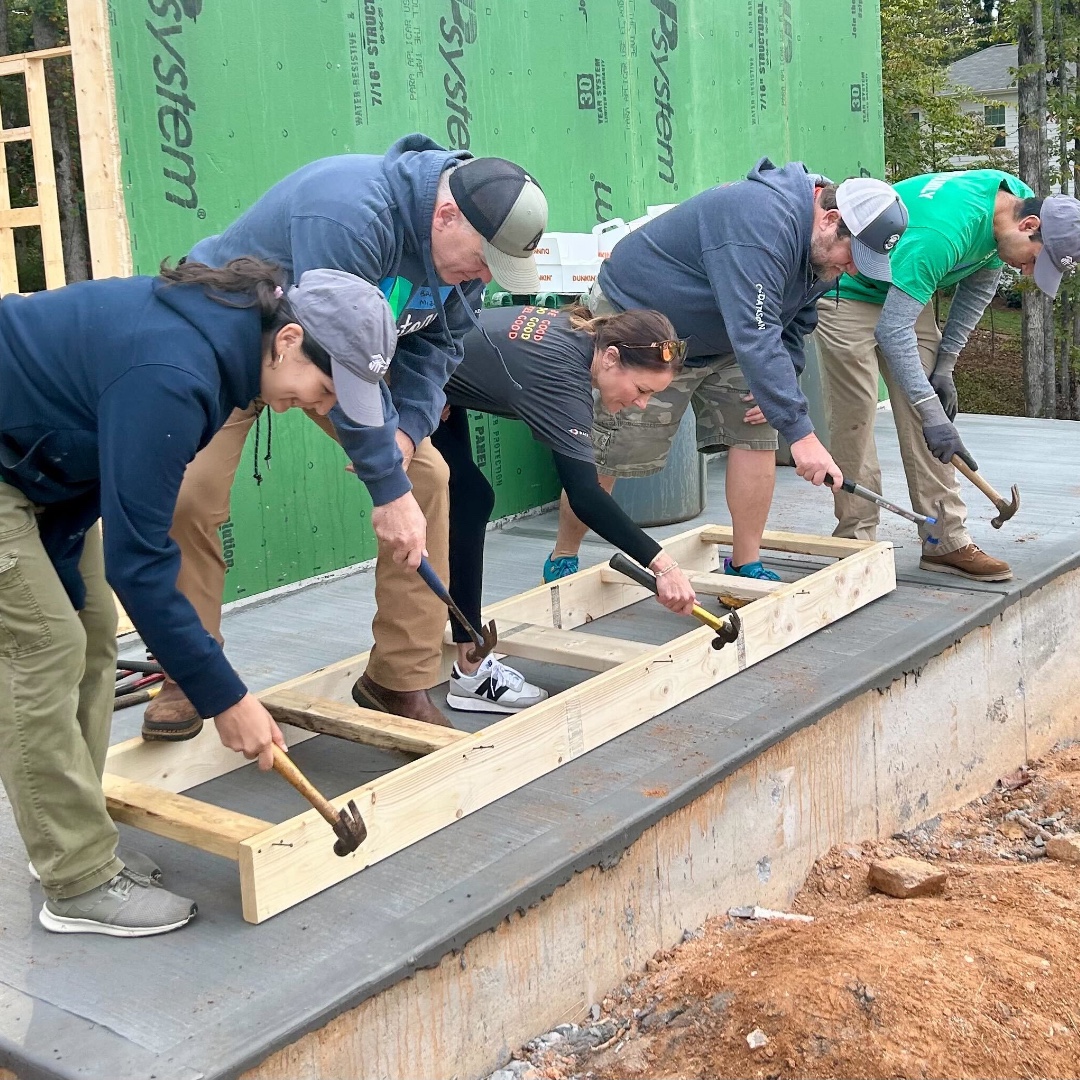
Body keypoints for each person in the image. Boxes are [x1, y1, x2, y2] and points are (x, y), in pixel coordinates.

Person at [0, 258, 397, 936]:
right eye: (325, 388)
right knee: (45, 648)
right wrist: (225, 697)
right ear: (291, 340)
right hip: (16, 463)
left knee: (93, 632)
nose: (323, 407)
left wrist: (64, 563)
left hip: (37, 464)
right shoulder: (174, 373)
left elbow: (104, 475)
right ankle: (77, 879)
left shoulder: (223, 353)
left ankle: (75, 835)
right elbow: (141, 562)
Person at [141, 134, 548, 740]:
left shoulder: (463, 257)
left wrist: (405, 438)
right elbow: (337, 347)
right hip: (227, 342)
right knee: (191, 493)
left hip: (327, 365)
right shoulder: (349, 209)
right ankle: (185, 672)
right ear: (445, 215)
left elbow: (437, 349)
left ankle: (397, 677)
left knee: (428, 477)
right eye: (483, 260)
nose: (483, 277)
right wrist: (385, 487)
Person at [545, 161, 908, 584]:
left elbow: (796, 318)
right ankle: (563, 558)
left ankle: (745, 564)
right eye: (853, 256)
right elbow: (755, 332)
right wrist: (802, 436)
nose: (851, 270)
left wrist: (781, 384)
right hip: (644, 319)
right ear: (830, 219)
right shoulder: (761, 222)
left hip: (727, 330)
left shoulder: (822, 251)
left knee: (755, 429)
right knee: (611, 454)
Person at [426, 303, 695, 713]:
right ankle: (457, 667)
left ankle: (469, 661)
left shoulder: (578, 333)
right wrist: (664, 565)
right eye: (642, 390)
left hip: (434, 371)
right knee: (468, 499)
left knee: (469, 499)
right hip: (395, 375)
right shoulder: (561, 379)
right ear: (611, 357)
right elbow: (586, 498)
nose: (641, 404)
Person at [814, 172, 1080, 582]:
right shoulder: (944, 230)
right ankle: (856, 544)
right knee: (857, 415)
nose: (1027, 273)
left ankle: (945, 541)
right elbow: (892, 331)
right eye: (1032, 260)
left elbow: (976, 288)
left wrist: (946, 365)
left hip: (907, 290)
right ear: (1029, 227)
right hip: (848, 289)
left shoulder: (1017, 204)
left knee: (929, 414)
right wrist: (930, 410)